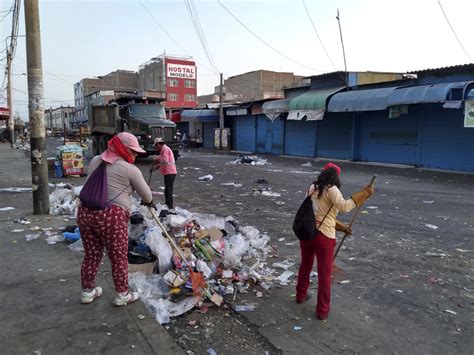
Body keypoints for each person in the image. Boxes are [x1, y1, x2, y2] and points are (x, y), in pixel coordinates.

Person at [77, 132, 153, 306]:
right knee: (118, 257)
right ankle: (122, 294)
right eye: (133, 151)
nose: (135, 155)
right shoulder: (129, 169)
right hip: (111, 217)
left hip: (85, 213)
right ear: (123, 149)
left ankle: (87, 292)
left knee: (91, 254)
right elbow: (147, 195)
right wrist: (148, 202)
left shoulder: (96, 160)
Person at [295, 162, 374, 320]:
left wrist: (342, 227)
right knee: (325, 274)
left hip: (307, 234)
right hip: (324, 238)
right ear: (335, 176)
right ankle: (322, 311)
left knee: (305, 265)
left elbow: (319, 214)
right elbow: (344, 207)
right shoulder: (331, 189)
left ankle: (300, 295)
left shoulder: (312, 188)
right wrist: (363, 194)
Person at [151, 137, 177, 212]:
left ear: (159, 144)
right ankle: (168, 203)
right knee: (167, 189)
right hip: (168, 172)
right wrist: (157, 159)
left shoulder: (165, 149)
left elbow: (165, 161)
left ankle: (170, 206)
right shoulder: (163, 150)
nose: (155, 147)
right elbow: (163, 159)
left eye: (156, 145)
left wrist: (156, 165)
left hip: (170, 172)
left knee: (168, 189)